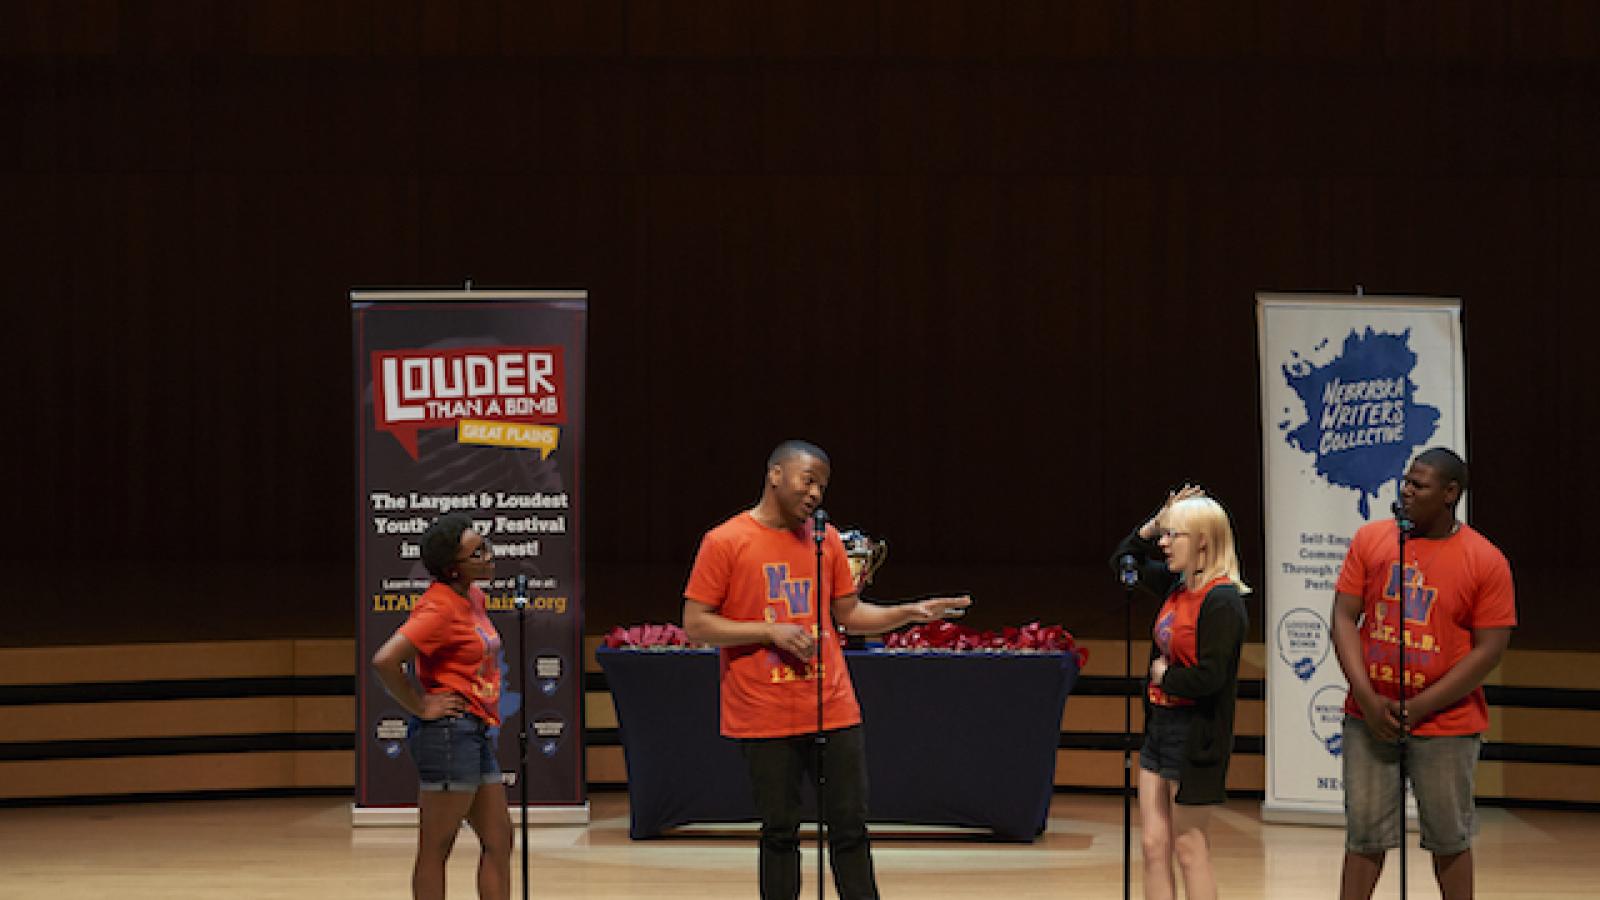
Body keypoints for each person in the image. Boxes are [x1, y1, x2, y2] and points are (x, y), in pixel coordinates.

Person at [681, 439, 971, 900]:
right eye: (807, 480)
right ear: (775, 474)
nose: (815, 493)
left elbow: (850, 615)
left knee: (850, 828)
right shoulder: (726, 541)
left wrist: (911, 612)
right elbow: (696, 624)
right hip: (764, 709)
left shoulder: (826, 540)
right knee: (780, 831)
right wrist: (768, 632)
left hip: (832, 705)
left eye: (823, 486)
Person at [1331, 448, 1516, 900]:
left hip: (1446, 723)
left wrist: (1420, 706)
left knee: (1449, 837)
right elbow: (1342, 618)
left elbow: (1490, 649)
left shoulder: (1485, 559)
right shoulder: (1373, 539)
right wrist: (1369, 698)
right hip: (1369, 716)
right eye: (1407, 482)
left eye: (1421, 485)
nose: (1407, 491)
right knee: (1364, 836)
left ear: (1450, 494)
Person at [1111, 485, 1249, 900]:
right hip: (1161, 728)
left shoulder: (1223, 600)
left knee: (1189, 847)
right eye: (1165, 535)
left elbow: (1212, 678)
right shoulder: (1177, 587)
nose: (1165, 544)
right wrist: (1152, 525)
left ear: (1203, 540)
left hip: (1196, 737)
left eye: (1174, 535)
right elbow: (1124, 562)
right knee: (1154, 846)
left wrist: (1164, 676)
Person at [372, 513, 513, 900]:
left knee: (500, 840)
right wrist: (420, 705)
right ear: (453, 570)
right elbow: (385, 660)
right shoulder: (438, 608)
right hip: (449, 735)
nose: (489, 556)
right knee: (437, 847)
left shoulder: (473, 596)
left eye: (485, 545)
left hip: (476, 729)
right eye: (477, 553)